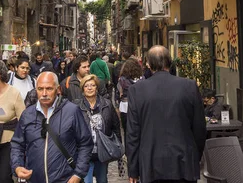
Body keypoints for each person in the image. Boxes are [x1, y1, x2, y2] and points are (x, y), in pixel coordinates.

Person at [126, 46, 206, 183]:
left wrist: (133, 169)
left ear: (148, 64)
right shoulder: (189, 86)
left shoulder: (137, 90)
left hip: (150, 162)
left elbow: (133, 133)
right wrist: (194, 156)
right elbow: (199, 128)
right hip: (184, 161)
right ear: (170, 61)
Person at [11, 72, 94, 183]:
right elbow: (17, 144)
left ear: (58, 89)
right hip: (34, 179)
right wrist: (17, 166)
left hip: (65, 179)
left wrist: (78, 174)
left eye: (49, 89)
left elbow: (85, 143)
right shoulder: (28, 114)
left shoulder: (72, 111)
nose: (44, 93)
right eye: (40, 89)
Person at [77, 75, 121, 183]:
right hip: (84, 154)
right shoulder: (77, 106)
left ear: (97, 87)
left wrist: (117, 144)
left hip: (102, 152)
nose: (90, 88)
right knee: (87, 181)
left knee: (102, 180)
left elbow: (115, 126)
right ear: (83, 89)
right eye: (86, 86)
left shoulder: (107, 104)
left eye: (92, 85)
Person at [116, 57, 143, 132]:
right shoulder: (142, 79)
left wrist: (117, 107)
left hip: (125, 107)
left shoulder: (121, 80)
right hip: (140, 106)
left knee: (127, 131)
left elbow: (117, 95)